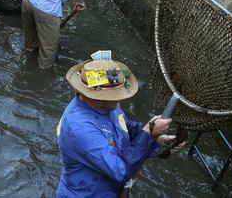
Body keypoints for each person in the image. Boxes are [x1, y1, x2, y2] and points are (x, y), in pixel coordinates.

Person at [57, 52, 179, 197]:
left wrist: (155, 138)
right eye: (116, 96)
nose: (120, 99)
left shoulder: (110, 106)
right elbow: (120, 171)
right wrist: (147, 134)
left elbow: (125, 128)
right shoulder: (79, 127)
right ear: (99, 97)